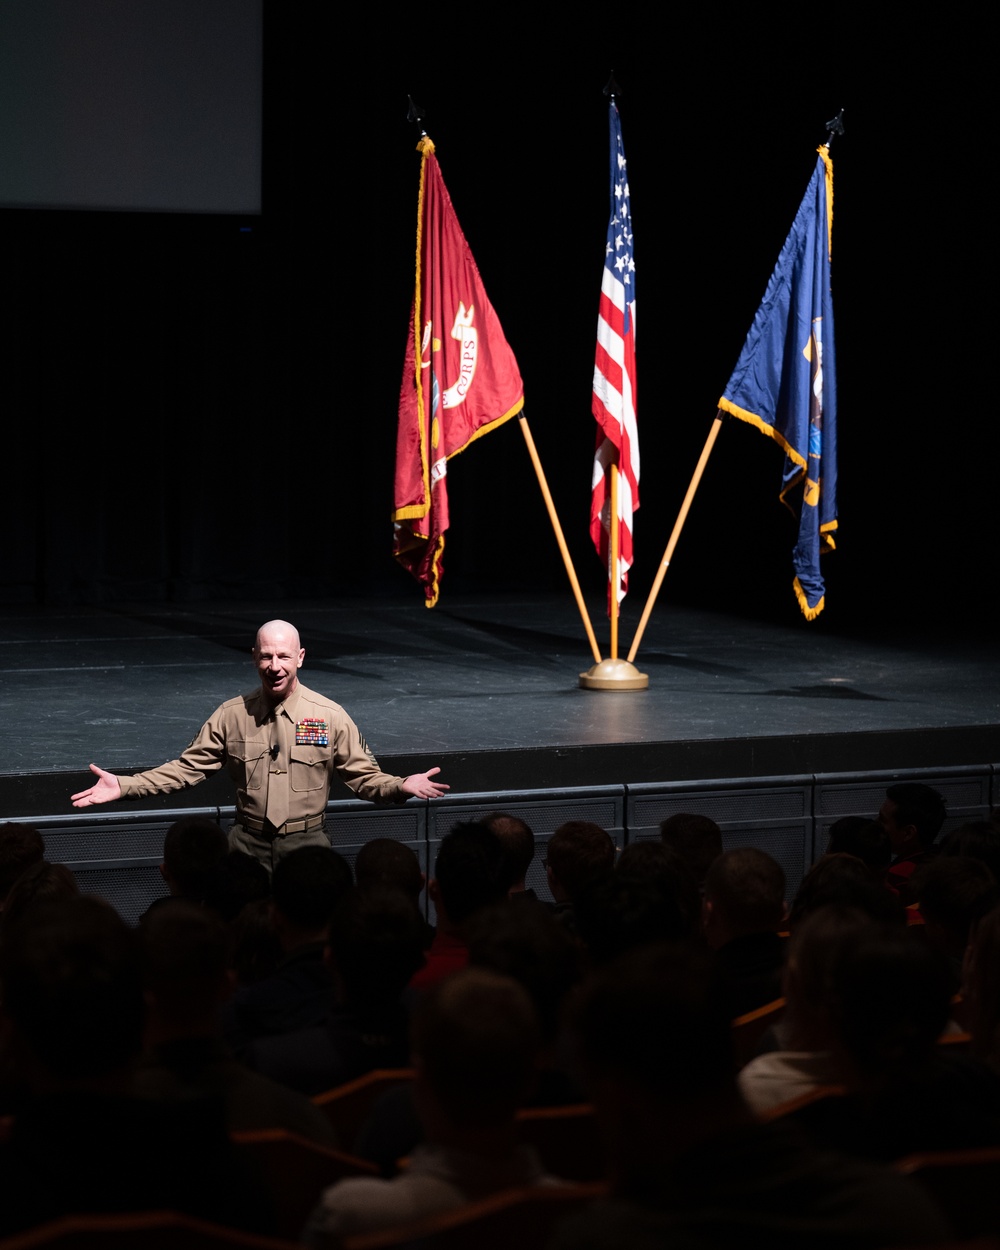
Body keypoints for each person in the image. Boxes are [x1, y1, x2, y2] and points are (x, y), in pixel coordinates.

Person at [70, 620, 448, 869]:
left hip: (308, 851)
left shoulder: (330, 716)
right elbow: (186, 770)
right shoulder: (232, 715)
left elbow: (365, 778)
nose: (275, 665)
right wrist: (125, 785)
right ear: (254, 658)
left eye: (284, 656)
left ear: (299, 658)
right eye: (266, 656)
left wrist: (401, 785)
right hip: (245, 851)